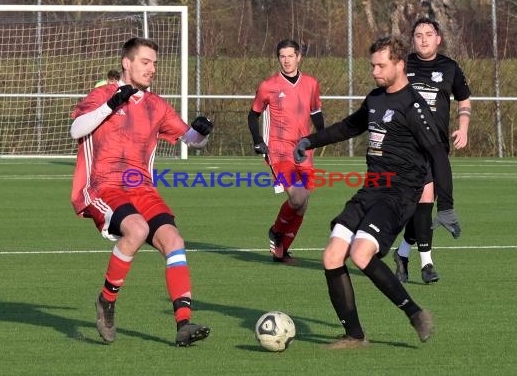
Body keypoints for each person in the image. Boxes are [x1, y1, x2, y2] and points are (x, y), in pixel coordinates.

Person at [293, 35, 458, 348]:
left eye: (381, 66)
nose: (375, 71)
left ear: (400, 65)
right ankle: (355, 335)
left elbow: (438, 155)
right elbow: (349, 126)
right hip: (372, 189)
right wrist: (309, 141)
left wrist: (446, 205)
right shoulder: (376, 98)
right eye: (372, 65)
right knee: (331, 256)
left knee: (360, 253)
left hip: (399, 195)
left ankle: (415, 313)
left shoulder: (415, 107)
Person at [70, 37, 214, 346]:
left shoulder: (156, 106)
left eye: (154, 64)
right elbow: (76, 129)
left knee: (174, 241)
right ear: (127, 63)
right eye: (145, 62)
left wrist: (201, 131)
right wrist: (111, 105)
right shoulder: (102, 94)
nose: (152, 69)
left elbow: (191, 139)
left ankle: (183, 324)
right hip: (104, 186)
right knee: (135, 229)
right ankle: (106, 302)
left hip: (141, 187)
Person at [393, 17, 470, 284]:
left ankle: (403, 255)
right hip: (407, 146)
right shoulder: (403, 65)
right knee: (423, 203)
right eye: (418, 35)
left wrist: (464, 126)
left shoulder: (450, 68)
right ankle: (427, 264)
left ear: (438, 38)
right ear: (412, 40)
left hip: (436, 147)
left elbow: (464, 98)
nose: (423, 39)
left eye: (429, 34)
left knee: (423, 205)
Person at [247, 39, 325, 264]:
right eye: (282, 56)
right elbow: (253, 115)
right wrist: (257, 140)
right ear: (278, 58)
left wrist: (323, 135)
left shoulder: (311, 83)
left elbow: (316, 113)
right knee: (297, 196)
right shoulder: (268, 85)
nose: (287, 60)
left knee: (304, 203)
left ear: (299, 57)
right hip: (279, 151)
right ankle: (276, 231)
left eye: (290, 56)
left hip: (304, 150)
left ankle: (281, 252)